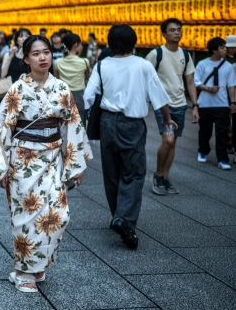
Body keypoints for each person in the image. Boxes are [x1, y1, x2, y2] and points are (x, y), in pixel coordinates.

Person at [0, 35, 91, 292]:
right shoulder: (17, 89)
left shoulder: (61, 88)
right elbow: (2, 126)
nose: (42, 57)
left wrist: (75, 164)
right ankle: (23, 271)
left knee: (58, 216)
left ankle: (37, 265)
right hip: (23, 161)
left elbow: (72, 125)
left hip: (52, 158)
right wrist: (1, 167)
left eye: (46, 52)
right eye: (35, 54)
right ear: (26, 59)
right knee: (26, 217)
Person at [84, 25, 175, 249]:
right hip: (132, 124)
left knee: (112, 171)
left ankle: (117, 215)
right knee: (134, 173)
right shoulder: (142, 65)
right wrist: (166, 119)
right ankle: (124, 219)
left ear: (110, 44)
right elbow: (159, 97)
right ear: (134, 43)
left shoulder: (102, 64)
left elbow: (88, 97)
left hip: (107, 122)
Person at [145, 19, 199, 192]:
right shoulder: (156, 54)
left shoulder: (186, 55)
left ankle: (164, 178)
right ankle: (158, 175)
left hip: (181, 104)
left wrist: (195, 105)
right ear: (164, 34)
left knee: (173, 142)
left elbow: (190, 82)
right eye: (173, 30)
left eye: (179, 30)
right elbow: (145, 77)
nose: (177, 33)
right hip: (163, 105)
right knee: (168, 140)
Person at [194, 37, 236, 170]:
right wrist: (209, 88)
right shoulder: (202, 64)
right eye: (222, 47)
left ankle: (223, 159)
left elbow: (231, 86)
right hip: (205, 104)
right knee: (205, 131)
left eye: (225, 47)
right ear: (214, 50)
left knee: (222, 133)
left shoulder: (228, 66)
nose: (225, 49)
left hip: (222, 104)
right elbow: (196, 82)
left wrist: (233, 102)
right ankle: (203, 151)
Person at [53, 33, 90, 122]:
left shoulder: (57, 62)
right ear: (76, 45)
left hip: (63, 95)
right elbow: (86, 77)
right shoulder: (84, 62)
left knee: (64, 124)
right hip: (79, 96)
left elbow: (56, 79)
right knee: (80, 125)